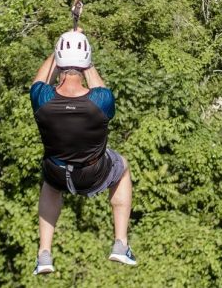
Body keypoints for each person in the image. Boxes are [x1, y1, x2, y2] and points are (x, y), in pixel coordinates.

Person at [30, 29, 136, 275]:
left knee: (49, 183)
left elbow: (40, 79)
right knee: (122, 165)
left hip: (57, 172)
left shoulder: (41, 99)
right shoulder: (101, 101)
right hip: (93, 174)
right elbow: (99, 88)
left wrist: (58, 50)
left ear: (58, 58)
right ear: (86, 62)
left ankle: (44, 253)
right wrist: (87, 64)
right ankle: (120, 243)